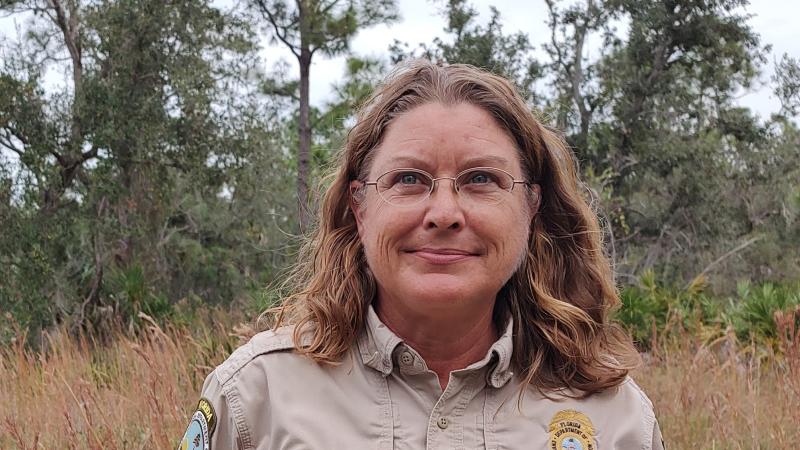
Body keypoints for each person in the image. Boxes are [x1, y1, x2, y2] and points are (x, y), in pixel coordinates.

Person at [177, 59, 665, 450]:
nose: (445, 213)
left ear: (531, 208)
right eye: (408, 179)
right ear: (359, 207)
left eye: (481, 179)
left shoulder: (615, 419)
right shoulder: (255, 396)